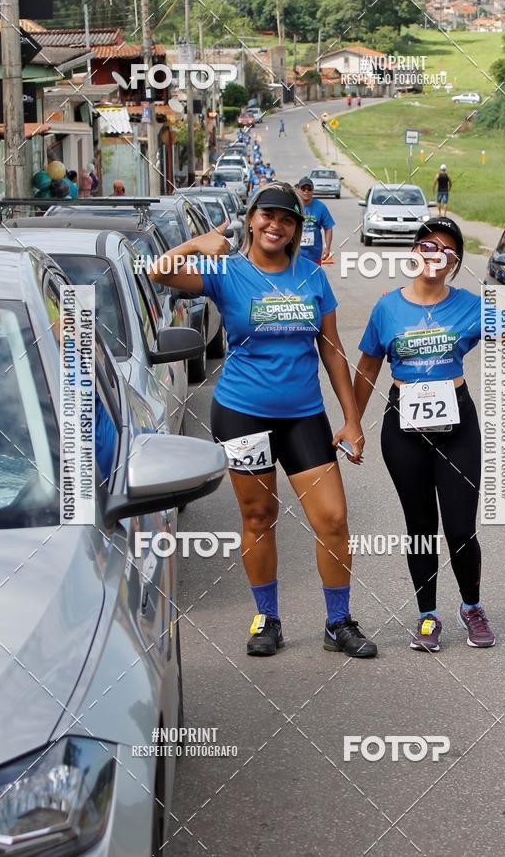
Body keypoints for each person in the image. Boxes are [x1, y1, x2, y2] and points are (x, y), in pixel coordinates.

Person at [149, 182, 377, 659]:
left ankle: (339, 622)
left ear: (296, 229)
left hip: (304, 416)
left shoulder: (311, 276)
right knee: (258, 516)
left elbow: (332, 351)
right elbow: (158, 273)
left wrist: (351, 419)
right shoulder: (226, 271)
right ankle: (266, 619)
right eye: (267, 216)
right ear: (251, 220)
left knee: (333, 519)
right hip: (241, 413)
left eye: (287, 219)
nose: (276, 225)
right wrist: (195, 244)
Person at [354, 216, 505, 653]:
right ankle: (426, 616)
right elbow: (367, 368)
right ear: (414, 252)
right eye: (427, 245)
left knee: (460, 528)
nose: (435, 253)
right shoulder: (387, 307)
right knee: (419, 526)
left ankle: (472, 607)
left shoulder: (470, 305)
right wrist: (352, 423)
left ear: (455, 261)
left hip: (457, 426)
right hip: (403, 427)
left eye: (446, 248)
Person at [296, 176, 335, 266]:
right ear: (298, 190)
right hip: (295, 254)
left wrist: (327, 247)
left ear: (313, 191)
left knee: (314, 277)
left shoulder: (320, 207)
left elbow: (328, 227)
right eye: (303, 188)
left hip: (314, 254)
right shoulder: (294, 205)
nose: (306, 191)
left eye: (309, 189)